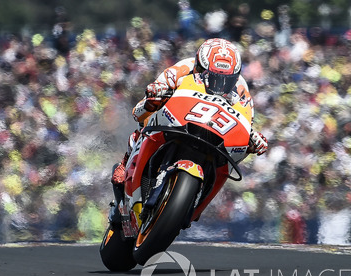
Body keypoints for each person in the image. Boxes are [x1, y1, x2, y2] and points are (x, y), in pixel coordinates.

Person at [110, 38, 268, 192]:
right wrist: (155, 95)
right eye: (211, 76)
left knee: (237, 155)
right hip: (180, 119)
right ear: (198, 66)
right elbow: (139, 112)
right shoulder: (183, 68)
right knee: (149, 111)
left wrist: (253, 138)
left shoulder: (241, 90)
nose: (217, 85)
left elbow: (246, 123)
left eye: (225, 81)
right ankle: (127, 162)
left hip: (213, 131)